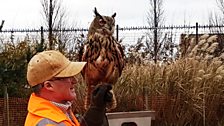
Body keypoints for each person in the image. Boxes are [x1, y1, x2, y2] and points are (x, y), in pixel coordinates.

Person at [25, 50, 112, 126]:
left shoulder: (56, 113)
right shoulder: (49, 122)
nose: (74, 81)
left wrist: (96, 110)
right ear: (49, 85)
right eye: (68, 77)